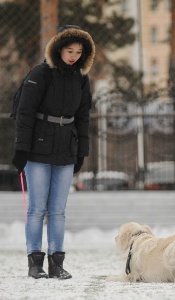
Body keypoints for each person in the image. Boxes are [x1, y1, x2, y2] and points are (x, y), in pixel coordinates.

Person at [12, 25, 95, 279]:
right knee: (37, 209)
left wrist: (81, 151)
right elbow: (24, 113)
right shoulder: (40, 74)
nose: (73, 56)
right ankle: (34, 263)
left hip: (65, 151)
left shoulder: (81, 78)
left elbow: (83, 117)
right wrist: (21, 149)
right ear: (58, 49)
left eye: (79, 52)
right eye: (69, 50)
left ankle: (56, 263)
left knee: (58, 210)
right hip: (37, 150)